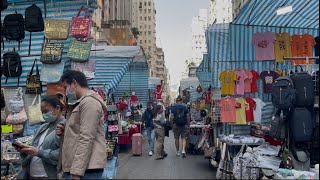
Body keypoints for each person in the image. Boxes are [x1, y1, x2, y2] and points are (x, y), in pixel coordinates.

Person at [55, 70, 107, 180]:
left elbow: (86, 138)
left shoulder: (89, 103)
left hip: (86, 170)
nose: (65, 92)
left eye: (66, 87)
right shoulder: (78, 104)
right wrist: (65, 130)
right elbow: (79, 132)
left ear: (74, 83)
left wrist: (76, 173)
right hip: (78, 168)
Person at [15, 95, 65, 179]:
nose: (44, 115)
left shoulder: (64, 127)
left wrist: (39, 153)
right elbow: (35, 147)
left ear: (57, 108)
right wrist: (24, 150)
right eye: (42, 112)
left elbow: (63, 155)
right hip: (31, 175)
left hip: (48, 176)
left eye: (46, 111)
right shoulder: (43, 127)